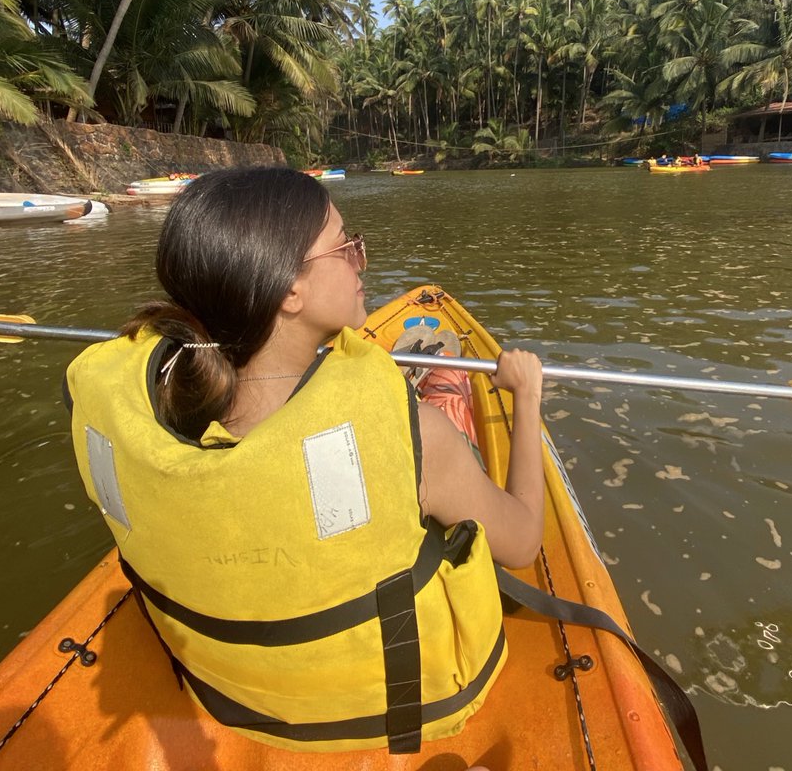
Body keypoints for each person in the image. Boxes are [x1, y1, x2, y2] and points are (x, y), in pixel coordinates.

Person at [65, 166, 544, 755]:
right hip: (400, 710)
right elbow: (523, 545)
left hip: (230, 697)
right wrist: (526, 401)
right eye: (345, 247)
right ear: (289, 290)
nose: (362, 260)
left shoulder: (164, 426)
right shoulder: (417, 433)